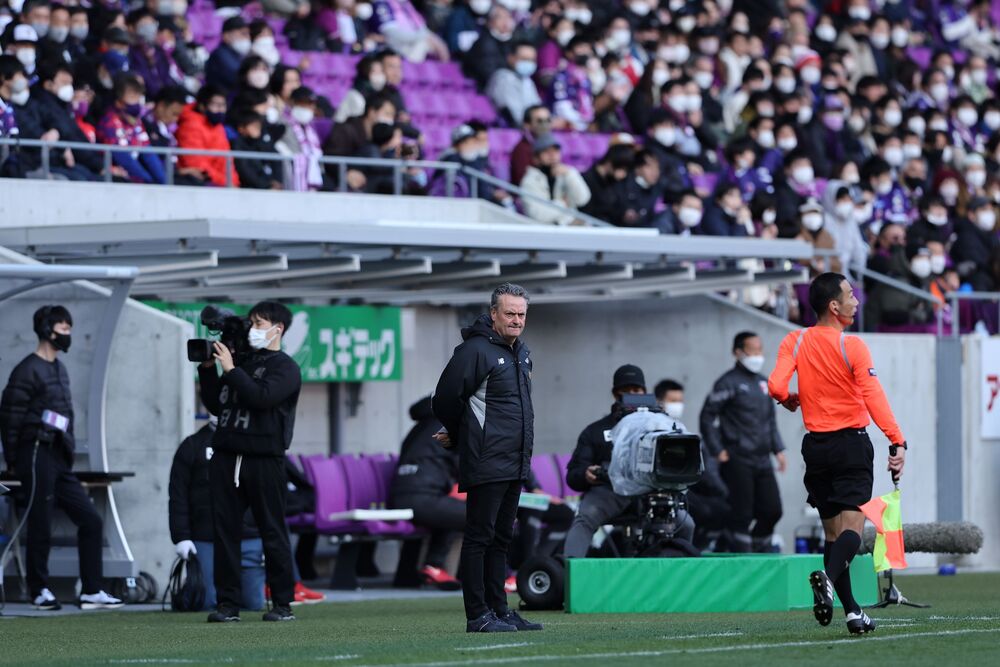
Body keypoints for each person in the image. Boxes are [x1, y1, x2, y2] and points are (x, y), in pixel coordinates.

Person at [768, 272, 908, 636]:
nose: (856, 301)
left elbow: (775, 385)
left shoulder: (795, 340)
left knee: (833, 536)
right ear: (834, 306)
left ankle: (853, 613)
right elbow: (873, 395)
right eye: (850, 295)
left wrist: (788, 399)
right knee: (853, 531)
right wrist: (896, 439)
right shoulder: (853, 346)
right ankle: (827, 579)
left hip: (815, 448)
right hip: (850, 445)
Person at [432, 283, 541, 633]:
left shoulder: (521, 353)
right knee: (480, 537)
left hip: (514, 461)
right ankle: (477, 615)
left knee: (502, 538)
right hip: (486, 459)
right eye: (510, 313)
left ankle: (500, 610)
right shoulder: (475, 351)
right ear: (494, 313)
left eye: (521, 314)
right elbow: (444, 399)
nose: (516, 320)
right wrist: (461, 432)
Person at [0, 305, 124, 611]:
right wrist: (14, 461)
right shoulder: (27, 369)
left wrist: (66, 450)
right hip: (35, 452)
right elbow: (10, 417)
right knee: (40, 521)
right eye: (63, 329)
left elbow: (65, 415)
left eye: (69, 329)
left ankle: (91, 590)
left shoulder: (60, 368)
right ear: (47, 330)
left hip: (57, 456)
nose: (68, 335)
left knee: (90, 520)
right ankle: (39, 590)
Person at [198, 301, 302, 623]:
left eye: (259, 324)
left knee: (272, 530)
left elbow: (261, 398)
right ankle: (228, 604)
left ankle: (282, 604)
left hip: (264, 459)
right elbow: (217, 405)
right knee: (225, 532)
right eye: (252, 323)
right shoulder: (241, 361)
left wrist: (231, 370)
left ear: (278, 329)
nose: (253, 330)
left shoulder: (286, 367)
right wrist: (208, 370)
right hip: (227, 456)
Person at [563, 365, 695, 559]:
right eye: (626, 391)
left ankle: (678, 570)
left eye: (637, 390)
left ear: (645, 392)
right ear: (616, 394)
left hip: (652, 494)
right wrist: (586, 474)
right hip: (610, 491)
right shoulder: (596, 431)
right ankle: (570, 568)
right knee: (585, 517)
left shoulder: (661, 426)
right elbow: (574, 474)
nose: (633, 395)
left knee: (686, 523)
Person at [699, 331, 785, 553]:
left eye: (759, 350)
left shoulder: (764, 383)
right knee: (742, 513)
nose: (757, 355)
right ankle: (741, 555)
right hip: (737, 457)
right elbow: (707, 416)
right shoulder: (727, 383)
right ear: (738, 352)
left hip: (763, 458)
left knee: (772, 510)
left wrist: (778, 449)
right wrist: (717, 449)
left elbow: (770, 420)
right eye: (752, 350)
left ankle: (759, 549)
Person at [168, 419, 266, 612]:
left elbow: (268, 492)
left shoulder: (255, 443)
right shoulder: (192, 445)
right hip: (206, 536)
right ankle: (190, 592)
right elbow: (178, 495)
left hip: (247, 536)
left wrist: (269, 536)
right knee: (206, 602)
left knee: (254, 603)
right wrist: (182, 536)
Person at [388, 395, 464, 590]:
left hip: (399, 497)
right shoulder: (446, 428)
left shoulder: (419, 429)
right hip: (423, 499)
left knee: (452, 511)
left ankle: (421, 571)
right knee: (482, 516)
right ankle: (498, 576)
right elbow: (465, 464)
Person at [519, 133, 591, 226]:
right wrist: (563, 204)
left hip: (568, 228)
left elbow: (582, 199)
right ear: (536, 158)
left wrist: (570, 174)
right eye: (546, 151)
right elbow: (538, 215)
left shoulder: (566, 174)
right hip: (541, 231)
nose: (552, 155)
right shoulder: (529, 181)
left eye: (556, 151)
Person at [176, 83, 240, 187]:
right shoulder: (190, 126)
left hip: (222, 185)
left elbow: (226, 163)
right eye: (216, 105)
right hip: (203, 186)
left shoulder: (218, 127)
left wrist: (233, 183)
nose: (220, 110)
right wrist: (227, 183)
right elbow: (198, 166)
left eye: (223, 105)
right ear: (202, 106)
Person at [485, 40, 542, 127]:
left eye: (532, 60)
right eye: (524, 59)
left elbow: (538, 108)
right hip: (506, 130)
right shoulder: (503, 78)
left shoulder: (528, 81)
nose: (528, 63)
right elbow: (515, 117)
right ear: (511, 58)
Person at [509, 104, 551, 188]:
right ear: (527, 124)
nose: (545, 125)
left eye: (548, 120)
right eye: (540, 121)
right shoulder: (521, 150)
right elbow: (524, 183)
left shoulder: (552, 145)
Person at [205, 16, 250, 92]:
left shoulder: (238, 54)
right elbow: (238, 77)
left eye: (248, 34)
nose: (247, 37)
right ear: (226, 36)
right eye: (243, 34)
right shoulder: (220, 54)